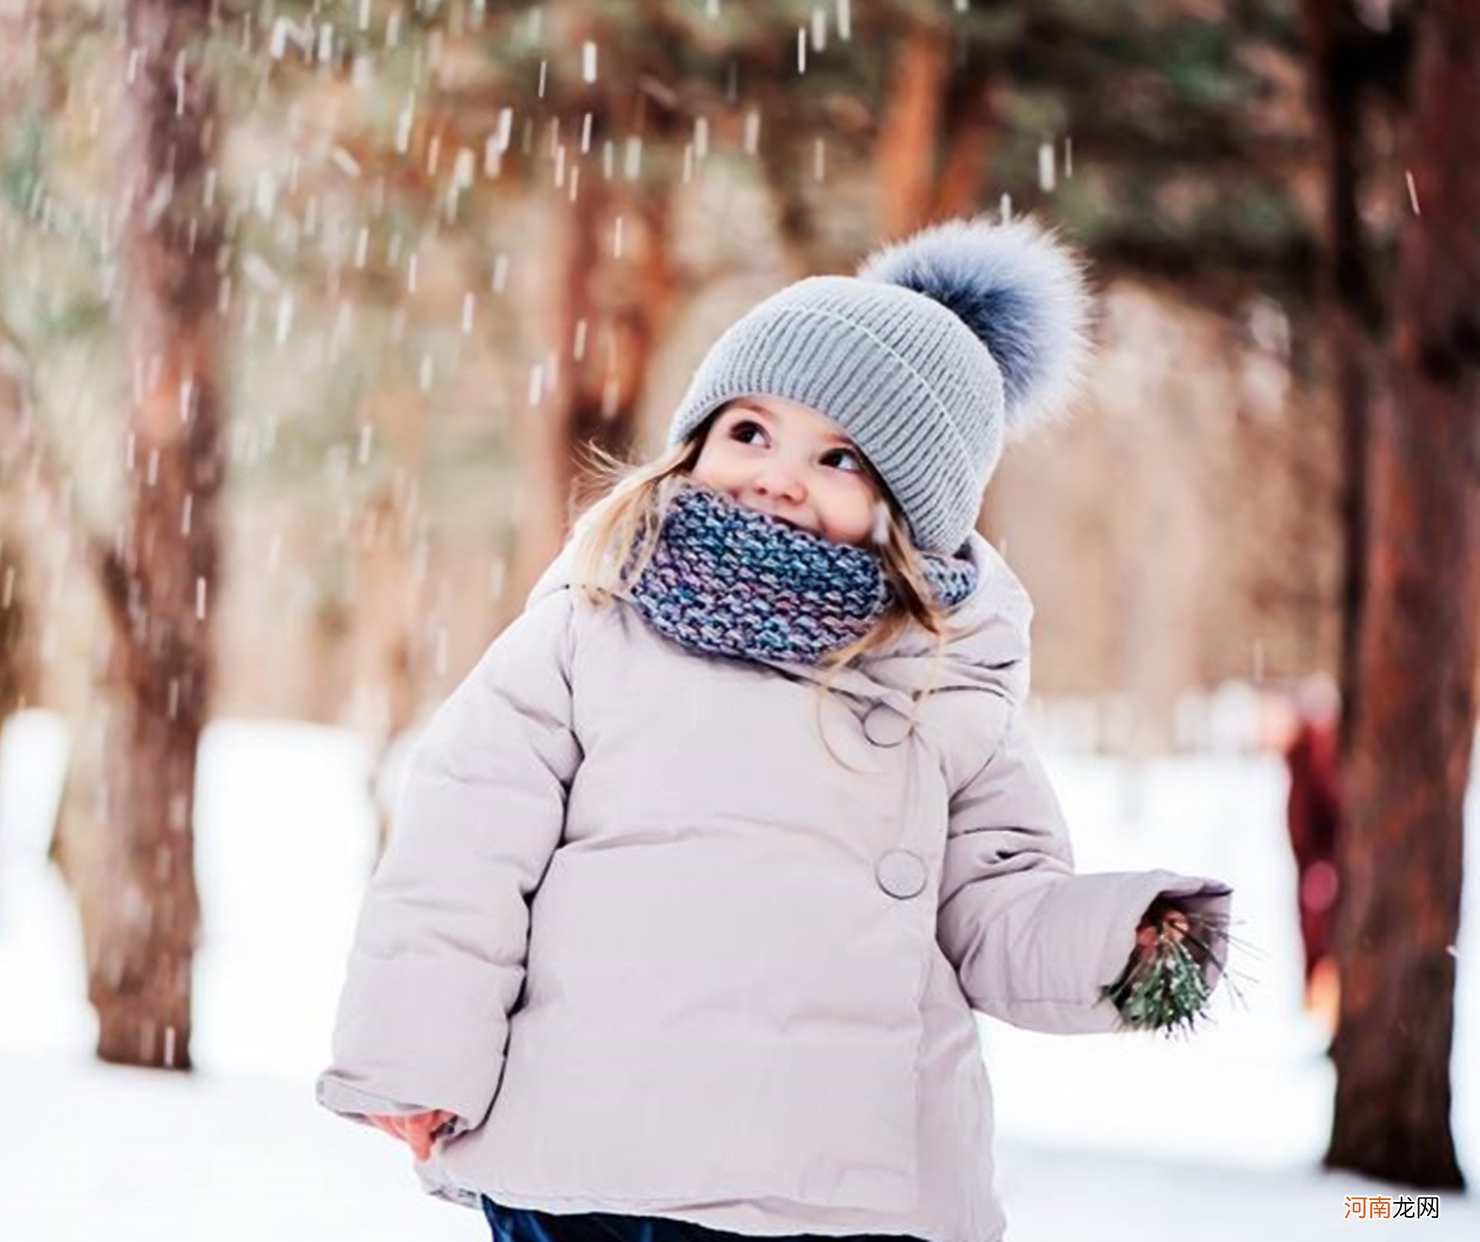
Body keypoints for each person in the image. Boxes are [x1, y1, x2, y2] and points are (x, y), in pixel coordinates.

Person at [314, 216, 1235, 1242]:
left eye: (838, 456)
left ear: (913, 508)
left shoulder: (944, 683)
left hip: (837, 1189)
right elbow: (459, 852)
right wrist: (416, 1053)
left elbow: (996, 899)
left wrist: (1116, 943)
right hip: (595, 1163)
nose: (778, 473)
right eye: (748, 431)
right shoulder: (591, 626)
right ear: (695, 442)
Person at [1283, 675, 1342, 1038]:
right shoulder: (1308, 754)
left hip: (1323, 867)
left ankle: (1330, 1016)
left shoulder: (1318, 753)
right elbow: (1304, 819)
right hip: (1318, 868)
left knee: (1326, 940)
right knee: (1320, 939)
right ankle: (1325, 1017)